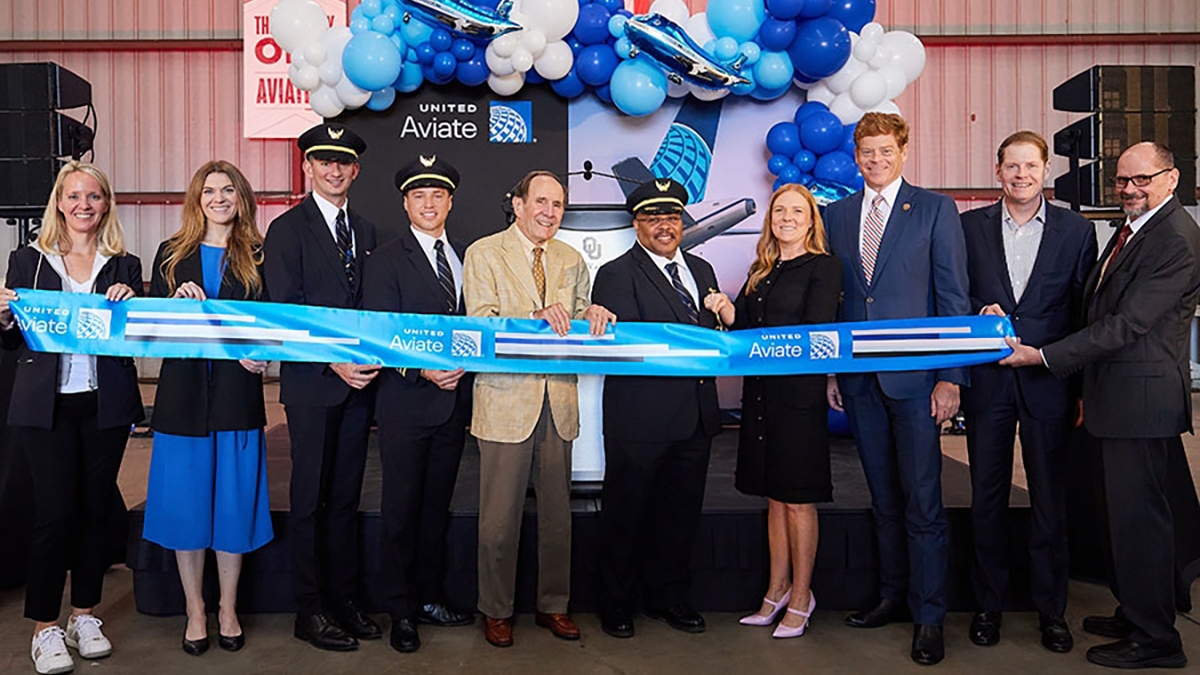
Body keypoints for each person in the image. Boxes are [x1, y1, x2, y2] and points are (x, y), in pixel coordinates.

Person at [1001, 141, 1199, 670]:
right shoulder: (1136, 230)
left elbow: (1125, 325)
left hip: (1141, 402)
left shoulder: (1176, 239)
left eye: (1143, 179)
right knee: (1121, 518)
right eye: (1122, 180)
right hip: (1114, 399)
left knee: (1141, 523)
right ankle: (1136, 612)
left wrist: (1043, 356)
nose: (1130, 189)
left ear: (1172, 178)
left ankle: (1157, 638)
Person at [823, 112, 970, 665]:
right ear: (856, 156)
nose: (876, 161)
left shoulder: (935, 209)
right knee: (882, 498)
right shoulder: (835, 216)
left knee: (924, 502)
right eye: (867, 152)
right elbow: (838, 303)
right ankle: (893, 596)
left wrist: (952, 376)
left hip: (917, 383)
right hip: (859, 381)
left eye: (886, 151)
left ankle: (929, 615)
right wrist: (835, 371)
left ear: (903, 151)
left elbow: (952, 296)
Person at [0, 162, 144, 675]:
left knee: (94, 512)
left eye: (95, 196)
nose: (84, 205)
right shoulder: (28, 261)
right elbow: (12, 336)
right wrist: (1, 315)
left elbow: (135, 337)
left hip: (105, 404)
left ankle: (84, 616)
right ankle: (44, 626)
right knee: (55, 514)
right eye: (75, 195)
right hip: (46, 406)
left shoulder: (123, 264)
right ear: (59, 203)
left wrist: (134, 305)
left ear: (105, 205)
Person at [461, 170, 615, 648]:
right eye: (542, 202)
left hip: (558, 403)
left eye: (558, 204)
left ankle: (554, 605)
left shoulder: (570, 259)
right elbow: (481, 324)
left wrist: (596, 312)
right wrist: (534, 321)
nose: (550, 212)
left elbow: (583, 309)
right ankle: (496, 610)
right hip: (506, 402)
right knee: (498, 519)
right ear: (518, 204)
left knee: (556, 517)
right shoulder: (483, 252)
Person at [959, 131, 1096, 654]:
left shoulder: (1076, 231)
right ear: (997, 171)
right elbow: (952, 291)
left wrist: (1079, 386)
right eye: (1011, 166)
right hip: (988, 382)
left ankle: (1051, 611)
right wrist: (976, 311)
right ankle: (988, 607)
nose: (1021, 175)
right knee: (986, 499)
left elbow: (1083, 311)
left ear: (1045, 171)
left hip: (1048, 383)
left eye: (1030, 166)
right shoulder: (967, 227)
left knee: (1049, 503)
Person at [141, 161, 273, 656]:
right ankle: (196, 608)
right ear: (197, 199)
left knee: (234, 508)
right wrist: (174, 304)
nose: (219, 198)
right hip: (183, 401)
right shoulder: (170, 255)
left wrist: (263, 353)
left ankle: (228, 609)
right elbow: (152, 330)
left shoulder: (260, 255)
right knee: (186, 509)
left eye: (228, 190)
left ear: (241, 198)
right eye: (210, 190)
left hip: (238, 399)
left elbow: (275, 321)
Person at [263, 123, 381, 651]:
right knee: (309, 501)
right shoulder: (287, 230)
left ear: (355, 169)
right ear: (308, 167)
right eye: (323, 161)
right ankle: (308, 610)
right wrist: (335, 363)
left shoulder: (368, 230)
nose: (334, 170)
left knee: (343, 500)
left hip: (360, 388)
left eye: (343, 162)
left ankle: (344, 600)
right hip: (314, 384)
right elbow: (288, 310)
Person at [591, 178, 723, 639]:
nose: (664, 226)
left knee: (679, 516)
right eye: (652, 218)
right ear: (636, 224)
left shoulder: (704, 271)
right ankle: (617, 603)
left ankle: (669, 597)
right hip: (641, 419)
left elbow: (716, 343)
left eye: (671, 217)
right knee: (626, 515)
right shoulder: (615, 273)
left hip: (697, 416)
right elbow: (634, 347)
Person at [712, 184, 842, 638]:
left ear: (811, 220)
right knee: (773, 497)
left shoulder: (824, 268)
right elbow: (746, 330)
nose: (787, 217)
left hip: (797, 398)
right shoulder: (760, 271)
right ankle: (776, 589)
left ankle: (803, 595)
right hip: (762, 396)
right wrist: (728, 311)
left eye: (797, 211)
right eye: (779, 210)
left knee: (798, 499)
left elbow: (816, 332)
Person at [361, 154, 474, 654]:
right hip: (407, 403)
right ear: (406, 203)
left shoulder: (467, 258)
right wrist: (421, 368)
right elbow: (379, 333)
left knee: (435, 510)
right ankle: (401, 610)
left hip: (453, 407)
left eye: (438, 195)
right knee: (401, 511)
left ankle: (429, 597)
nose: (429, 204)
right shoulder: (384, 260)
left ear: (450, 201)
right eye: (419, 196)